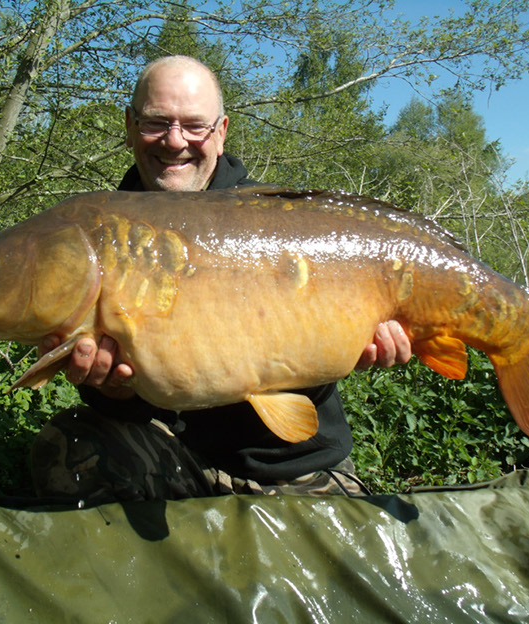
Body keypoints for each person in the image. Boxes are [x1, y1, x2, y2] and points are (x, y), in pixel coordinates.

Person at [31, 56, 411, 502]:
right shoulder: (106, 232)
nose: (175, 141)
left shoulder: (277, 220)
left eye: (194, 125)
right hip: (172, 455)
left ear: (222, 130)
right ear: (131, 125)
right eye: (157, 122)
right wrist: (113, 389)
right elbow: (132, 390)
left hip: (288, 463)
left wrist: (357, 346)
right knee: (65, 448)